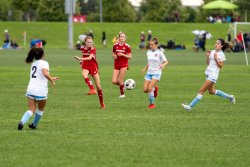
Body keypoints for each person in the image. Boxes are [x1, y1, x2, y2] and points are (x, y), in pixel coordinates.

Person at [181, 39, 236, 112]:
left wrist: (216, 58)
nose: (216, 44)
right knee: (212, 91)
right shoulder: (213, 51)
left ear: (221, 46)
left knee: (201, 90)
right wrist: (207, 56)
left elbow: (220, 66)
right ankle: (230, 97)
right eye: (215, 43)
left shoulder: (221, 54)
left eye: (218, 43)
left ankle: (190, 107)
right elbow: (208, 63)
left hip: (213, 75)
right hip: (208, 73)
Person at [18, 47, 59, 130]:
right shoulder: (44, 63)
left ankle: (22, 121)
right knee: (40, 109)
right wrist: (51, 80)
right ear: (42, 55)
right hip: (41, 90)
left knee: (31, 109)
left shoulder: (34, 63)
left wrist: (51, 77)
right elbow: (45, 73)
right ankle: (34, 125)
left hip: (31, 89)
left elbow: (40, 75)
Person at [74, 36, 105, 109]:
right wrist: (82, 61)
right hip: (85, 66)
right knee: (84, 75)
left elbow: (89, 58)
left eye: (91, 42)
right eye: (88, 42)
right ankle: (92, 89)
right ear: (85, 43)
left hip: (93, 67)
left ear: (93, 43)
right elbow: (81, 50)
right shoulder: (82, 48)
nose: (89, 43)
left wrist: (80, 59)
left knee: (99, 87)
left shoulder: (93, 49)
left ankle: (102, 103)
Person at [141, 38, 168, 109]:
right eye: (150, 44)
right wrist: (144, 68)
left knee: (149, 88)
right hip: (149, 72)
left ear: (156, 45)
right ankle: (155, 89)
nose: (150, 46)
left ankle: (152, 104)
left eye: (152, 44)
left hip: (157, 72)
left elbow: (166, 61)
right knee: (144, 90)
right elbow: (149, 63)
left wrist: (163, 65)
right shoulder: (148, 52)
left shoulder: (160, 53)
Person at [112, 32, 132, 98]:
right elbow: (113, 53)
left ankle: (122, 94)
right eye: (121, 36)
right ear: (119, 38)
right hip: (116, 65)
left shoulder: (127, 46)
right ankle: (124, 85)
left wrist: (123, 54)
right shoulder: (115, 45)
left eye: (123, 36)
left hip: (124, 65)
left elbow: (130, 57)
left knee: (120, 80)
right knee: (114, 81)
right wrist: (114, 56)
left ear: (125, 38)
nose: (122, 37)